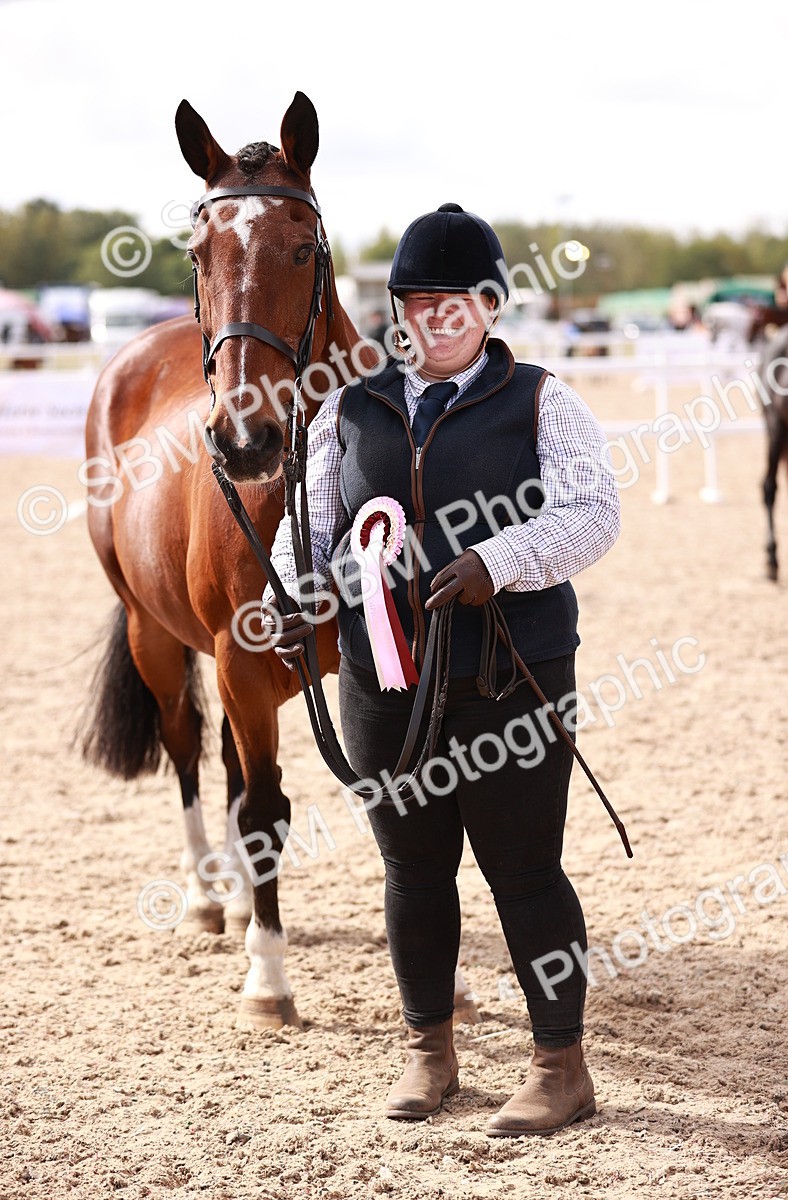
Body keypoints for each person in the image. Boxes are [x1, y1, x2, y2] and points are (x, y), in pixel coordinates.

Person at [261, 203, 621, 1136]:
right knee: (413, 870)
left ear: (491, 307)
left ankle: (559, 1064)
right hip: (385, 682)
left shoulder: (545, 400)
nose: (434, 317)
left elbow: (593, 514)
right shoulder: (347, 406)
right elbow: (314, 530)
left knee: (525, 872)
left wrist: (491, 563)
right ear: (397, 310)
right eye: (417, 301)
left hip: (511, 676)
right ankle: (429, 1051)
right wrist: (311, 589)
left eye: (455, 300)